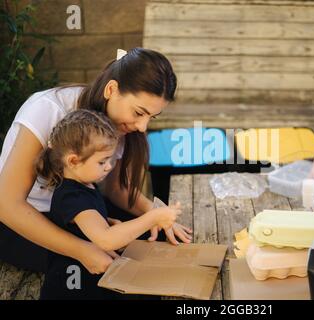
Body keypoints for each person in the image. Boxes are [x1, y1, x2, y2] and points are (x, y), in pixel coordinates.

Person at [0, 47, 192, 275]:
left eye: (152, 116)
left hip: (79, 210)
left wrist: (157, 215)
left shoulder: (123, 126)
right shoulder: (48, 109)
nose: (143, 127)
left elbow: (117, 189)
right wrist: (82, 250)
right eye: (139, 112)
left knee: (157, 240)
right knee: (91, 267)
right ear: (112, 89)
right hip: (23, 219)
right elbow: (7, 205)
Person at [36, 109, 180, 299]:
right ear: (73, 161)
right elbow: (106, 240)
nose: (109, 166)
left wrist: (105, 220)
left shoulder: (83, 184)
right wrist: (153, 216)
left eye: (110, 159)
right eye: (102, 161)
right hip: (75, 289)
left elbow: (87, 222)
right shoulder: (72, 197)